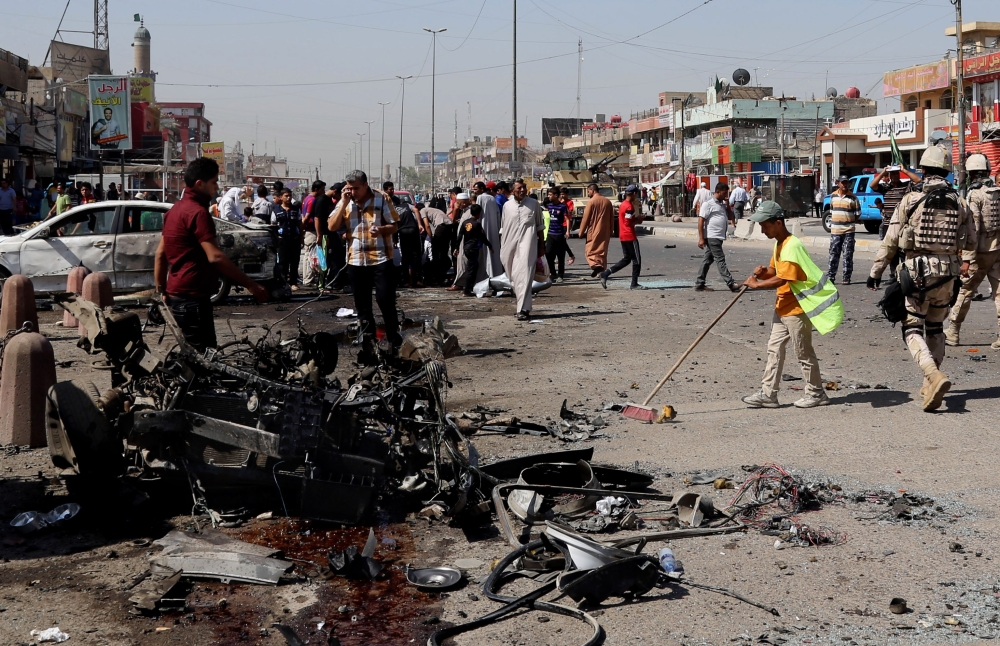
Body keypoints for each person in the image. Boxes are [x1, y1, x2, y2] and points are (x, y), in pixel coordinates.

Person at [867, 144, 976, 412]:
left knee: (912, 327)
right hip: (947, 273)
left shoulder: (911, 199)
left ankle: (934, 375)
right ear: (947, 171)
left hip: (916, 273)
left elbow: (891, 240)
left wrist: (875, 272)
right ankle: (930, 382)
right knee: (936, 328)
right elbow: (972, 241)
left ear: (924, 170)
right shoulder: (960, 203)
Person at [154, 157, 268, 351]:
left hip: (179, 297)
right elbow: (215, 256)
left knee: (193, 357)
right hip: (193, 300)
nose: (216, 187)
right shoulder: (198, 213)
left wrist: (161, 291)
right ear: (200, 184)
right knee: (204, 360)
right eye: (214, 182)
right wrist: (252, 285)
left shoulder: (174, 211)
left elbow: (160, 255)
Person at [741, 201, 843, 409]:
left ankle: (816, 393)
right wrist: (763, 273)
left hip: (797, 308)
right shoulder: (779, 244)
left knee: (803, 352)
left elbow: (784, 279)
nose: (762, 229)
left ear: (778, 223)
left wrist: (756, 285)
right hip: (783, 306)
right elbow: (776, 272)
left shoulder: (792, 245)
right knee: (774, 349)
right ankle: (768, 394)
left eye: (765, 225)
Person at [328, 170, 402, 347]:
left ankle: (393, 339)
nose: (352, 192)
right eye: (349, 188)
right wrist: (344, 202)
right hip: (356, 260)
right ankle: (369, 342)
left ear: (365, 185)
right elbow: (331, 226)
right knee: (362, 305)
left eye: (356, 188)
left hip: (380, 258)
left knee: (385, 300)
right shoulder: (345, 201)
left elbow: (394, 226)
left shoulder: (381, 198)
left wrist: (382, 229)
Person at [946, 153, 1000, 348]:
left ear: (972, 173)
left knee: (966, 291)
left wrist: (966, 257)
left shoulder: (974, 194)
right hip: (997, 250)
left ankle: (952, 333)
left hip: (979, 253)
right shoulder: (998, 192)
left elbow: (973, 228)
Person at [500, 180, 545, 320]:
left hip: (528, 245)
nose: (523, 190)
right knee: (513, 277)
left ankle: (523, 309)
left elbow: (539, 227)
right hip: (509, 245)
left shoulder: (534, 205)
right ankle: (522, 303)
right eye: (519, 188)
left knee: (524, 275)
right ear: (512, 191)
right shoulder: (507, 206)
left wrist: (541, 246)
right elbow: (503, 228)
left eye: (524, 187)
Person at [695, 182, 739, 292]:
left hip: (718, 236)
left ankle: (699, 283)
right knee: (720, 259)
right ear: (718, 191)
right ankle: (731, 283)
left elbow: (730, 217)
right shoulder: (708, 203)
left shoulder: (721, 204)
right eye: (724, 193)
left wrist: (727, 204)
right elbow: (701, 220)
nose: (726, 195)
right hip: (712, 236)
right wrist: (701, 238)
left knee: (707, 260)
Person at [600, 185, 644, 289]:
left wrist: (637, 219)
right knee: (636, 260)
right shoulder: (629, 206)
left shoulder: (623, 204)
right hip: (630, 235)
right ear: (633, 194)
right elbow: (628, 222)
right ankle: (634, 283)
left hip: (623, 235)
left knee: (627, 259)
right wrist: (638, 219)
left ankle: (606, 273)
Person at [385, 181, 423, 287]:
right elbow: (416, 209)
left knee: (406, 257)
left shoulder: (393, 211)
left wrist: (395, 239)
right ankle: (418, 280)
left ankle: (407, 281)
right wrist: (420, 224)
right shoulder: (407, 205)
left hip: (403, 231)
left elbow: (394, 226)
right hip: (413, 229)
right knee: (416, 255)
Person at [871, 164, 921, 240]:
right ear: (890, 176)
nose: (895, 175)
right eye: (893, 174)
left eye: (897, 173)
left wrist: (904, 170)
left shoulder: (906, 186)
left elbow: (918, 180)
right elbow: (872, 185)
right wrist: (883, 172)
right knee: (887, 249)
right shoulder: (885, 187)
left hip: (901, 223)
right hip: (888, 223)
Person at [827, 175, 861, 285]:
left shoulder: (853, 198)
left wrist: (848, 221)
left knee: (847, 254)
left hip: (848, 231)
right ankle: (831, 276)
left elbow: (857, 214)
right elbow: (832, 211)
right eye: (843, 182)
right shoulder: (833, 196)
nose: (845, 185)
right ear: (838, 183)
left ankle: (846, 277)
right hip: (835, 231)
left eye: (846, 182)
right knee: (833, 254)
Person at [578, 183, 614, 277]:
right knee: (602, 250)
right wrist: (611, 230)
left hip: (593, 230)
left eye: (588, 191)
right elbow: (611, 218)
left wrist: (581, 232)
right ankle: (601, 271)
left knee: (590, 251)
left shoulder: (591, 202)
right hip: (605, 231)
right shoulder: (607, 201)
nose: (588, 193)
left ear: (592, 190)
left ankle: (597, 266)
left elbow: (585, 218)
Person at [456, 203, 493, 296]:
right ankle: (466, 290)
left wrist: (456, 248)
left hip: (466, 249)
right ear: (478, 213)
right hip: (473, 248)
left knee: (473, 267)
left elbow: (459, 236)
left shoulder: (465, 222)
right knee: (471, 269)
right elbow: (483, 237)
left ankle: (470, 287)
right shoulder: (477, 224)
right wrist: (490, 246)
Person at [272, 188, 302, 290]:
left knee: (294, 262)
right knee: (283, 262)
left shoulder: (296, 209)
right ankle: (283, 282)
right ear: (281, 197)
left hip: (294, 239)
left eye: (290, 195)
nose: (289, 198)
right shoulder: (276, 210)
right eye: (286, 196)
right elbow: (273, 225)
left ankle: (293, 282)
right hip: (282, 240)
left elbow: (299, 223)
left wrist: (301, 238)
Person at [473, 181, 504, 279]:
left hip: (482, 228)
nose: (475, 191)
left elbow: (476, 212)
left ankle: (484, 276)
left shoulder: (480, 198)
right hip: (494, 229)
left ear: (482, 189)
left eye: (476, 189)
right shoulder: (492, 198)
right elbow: (498, 215)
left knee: (483, 253)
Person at [543, 187, 572, 281]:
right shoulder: (550, 206)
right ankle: (553, 273)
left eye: (550, 195)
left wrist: (567, 231)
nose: (549, 196)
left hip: (559, 234)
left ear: (556, 196)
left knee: (560, 256)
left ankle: (560, 275)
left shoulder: (563, 206)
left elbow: (567, 219)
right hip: (550, 234)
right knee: (548, 254)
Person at [300, 180, 325, 288]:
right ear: (317, 189)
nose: (324, 191)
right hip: (311, 231)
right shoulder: (312, 200)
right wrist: (303, 228)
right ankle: (308, 279)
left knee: (308, 255)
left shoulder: (306, 198)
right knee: (311, 256)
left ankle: (307, 279)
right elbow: (306, 217)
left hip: (308, 231)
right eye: (322, 189)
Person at [424, 197, 453, 286]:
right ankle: (442, 276)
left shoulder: (422, 211)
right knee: (443, 252)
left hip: (441, 228)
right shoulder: (435, 211)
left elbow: (427, 226)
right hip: (449, 226)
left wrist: (431, 238)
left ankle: (437, 277)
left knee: (436, 253)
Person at [449, 192, 474, 292]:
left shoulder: (469, 211)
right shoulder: (464, 211)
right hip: (462, 240)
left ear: (463, 203)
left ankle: (459, 283)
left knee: (463, 261)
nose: (457, 204)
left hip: (466, 240)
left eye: (458, 203)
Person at [557, 187, 577, 266]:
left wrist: (563, 204)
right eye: (561, 194)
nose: (562, 196)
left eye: (563, 194)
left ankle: (570, 255)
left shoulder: (570, 202)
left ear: (567, 194)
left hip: (566, 223)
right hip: (559, 223)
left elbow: (569, 212)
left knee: (562, 241)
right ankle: (570, 255)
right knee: (561, 241)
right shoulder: (558, 201)